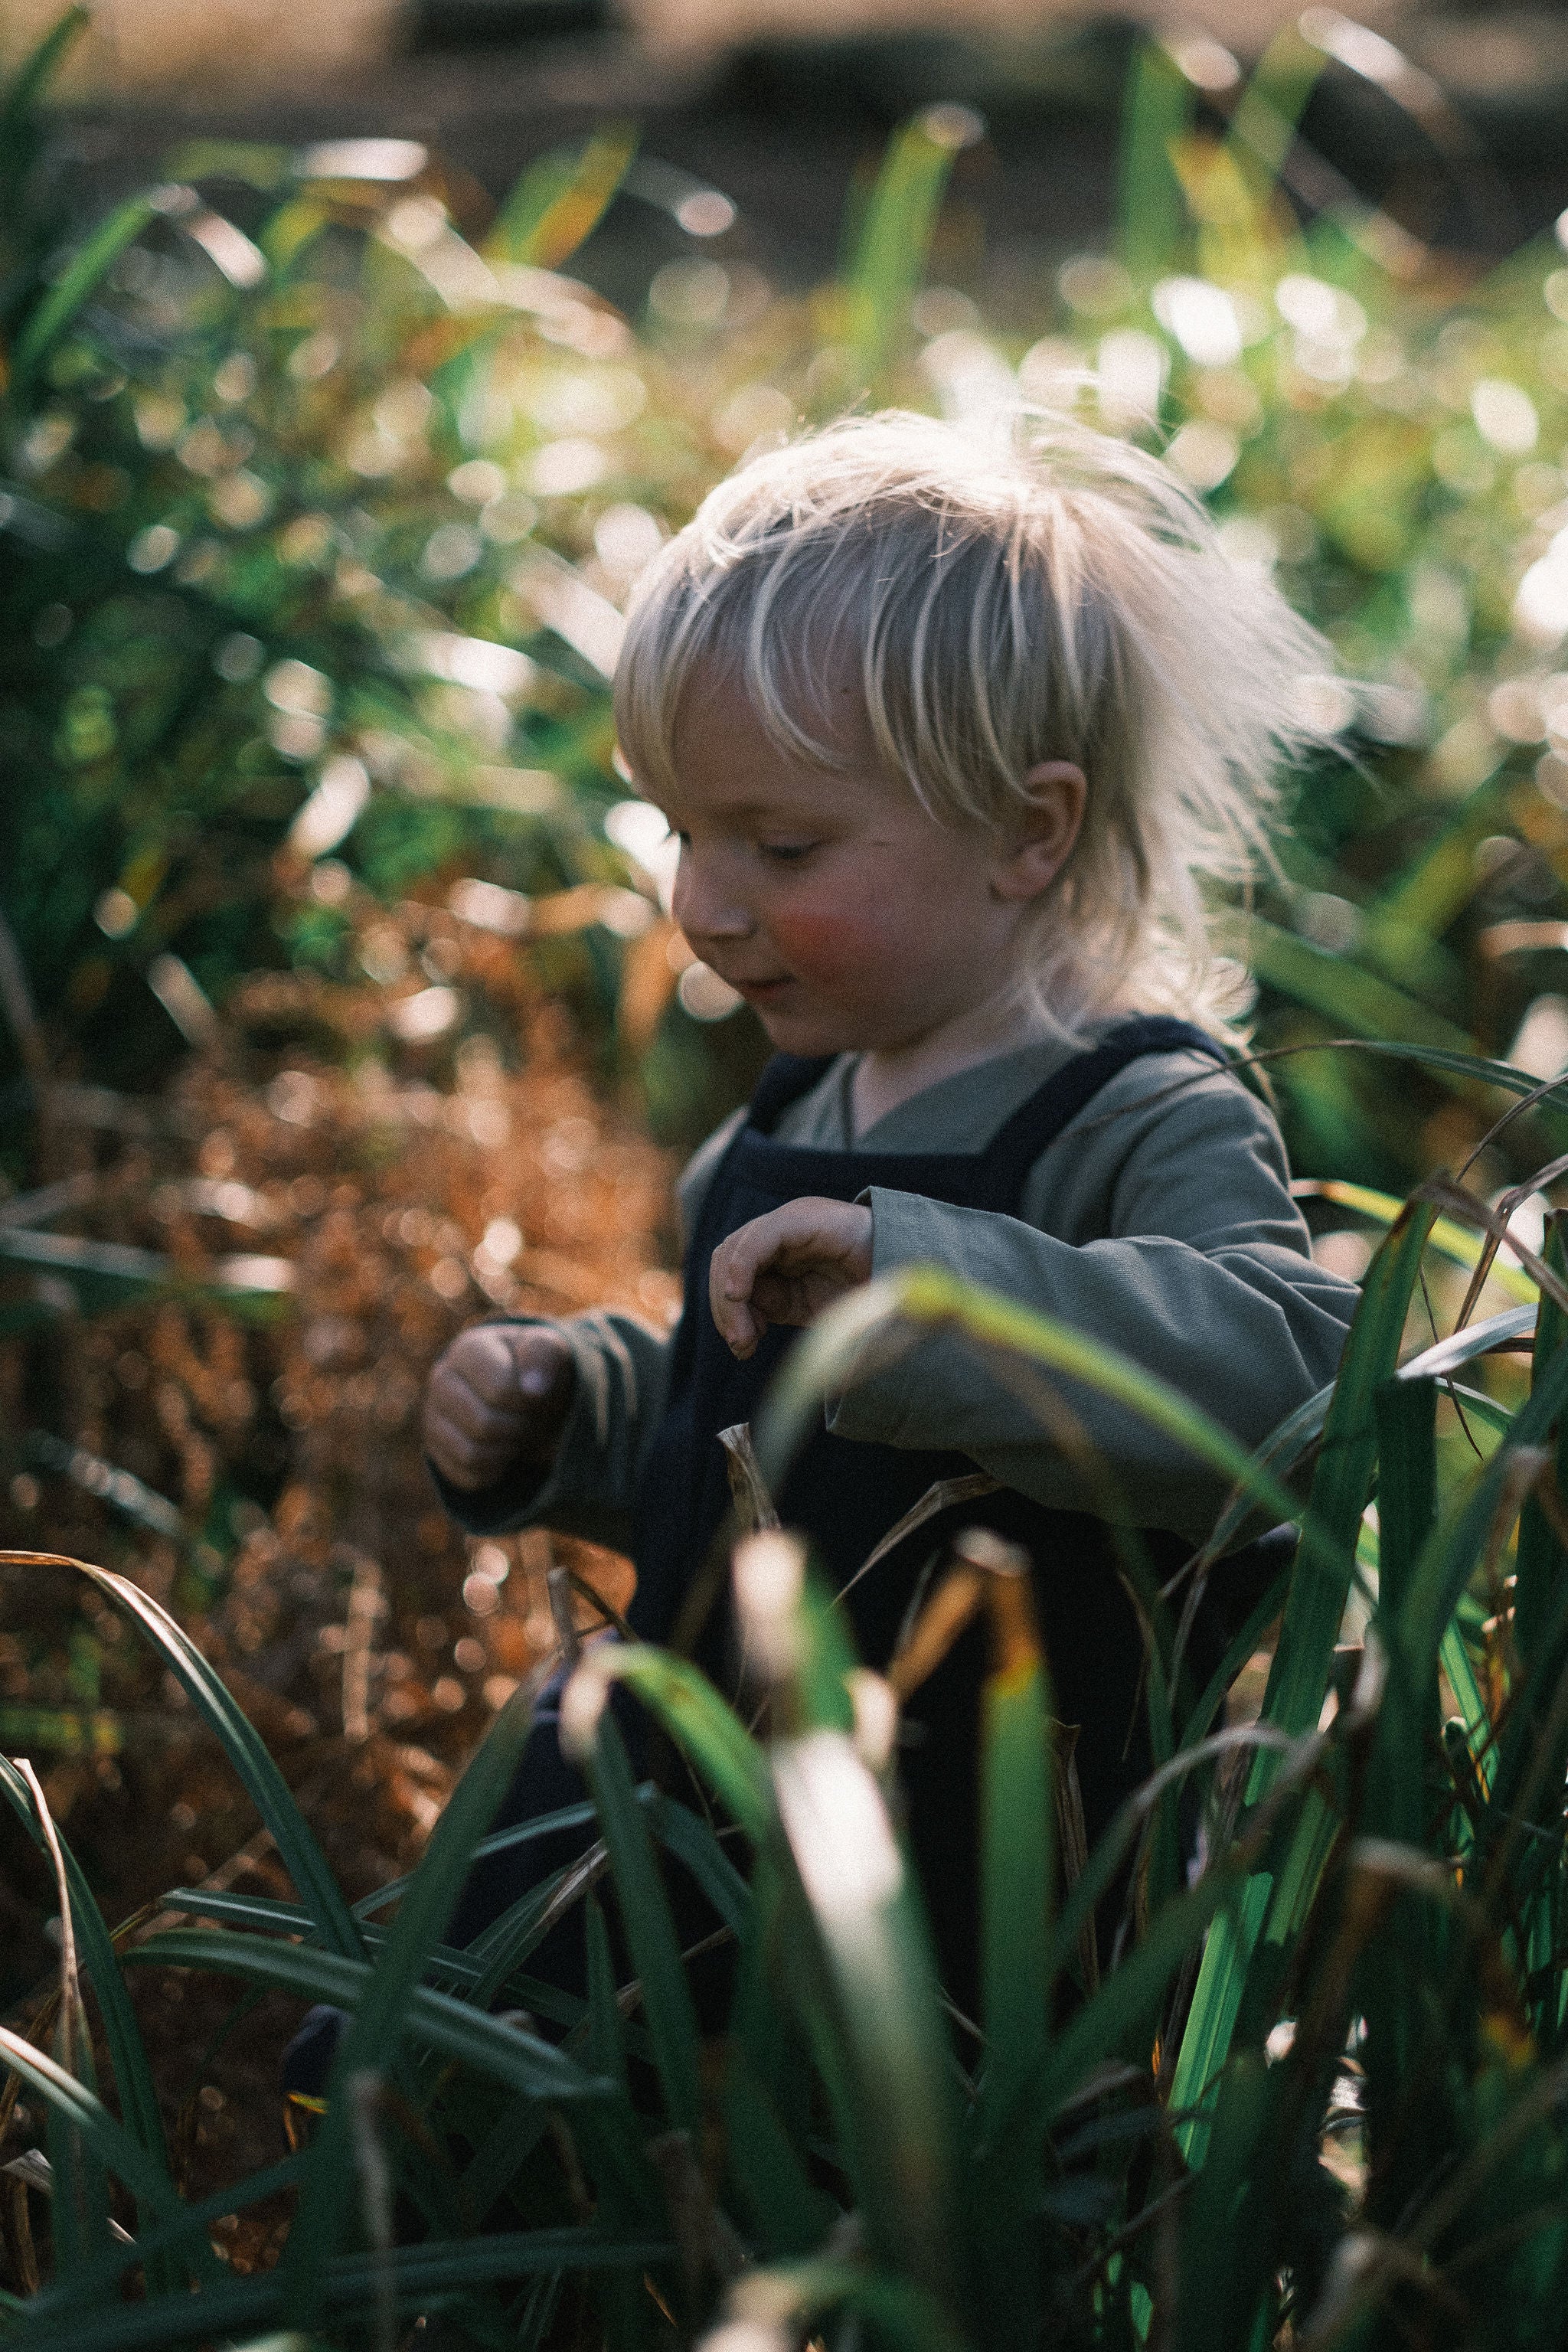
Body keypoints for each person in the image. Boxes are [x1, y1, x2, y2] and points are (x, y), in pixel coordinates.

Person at [421, 409, 1361, 2006]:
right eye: (680, 832)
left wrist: (940, 1298)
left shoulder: (1134, 1113)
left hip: (976, 1876)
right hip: (715, 1818)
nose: (702, 905)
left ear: (1026, 830)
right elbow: (748, 1441)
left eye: (780, 843)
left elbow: (1298, 1377)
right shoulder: (786, 1118)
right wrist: (577, 1410)